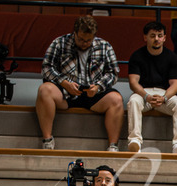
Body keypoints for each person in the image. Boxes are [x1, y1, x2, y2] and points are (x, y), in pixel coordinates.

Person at [37, 16, 124, 151]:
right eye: (81, 39)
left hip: (93, 93)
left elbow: (113, 73)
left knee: (116, 99)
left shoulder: (105, 46)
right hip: (65, 93)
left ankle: (113, 146)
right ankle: (47, 141)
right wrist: (64, 83)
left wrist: (98, 86)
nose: (84, 43)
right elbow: (46, 68)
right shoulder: (59, 43)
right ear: (75, 33)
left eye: (88, 40)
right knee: (44, 90)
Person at [127, 21, 177, 154]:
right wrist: (146, 96)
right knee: (133, 101)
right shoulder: (137, 56)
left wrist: (164, 98)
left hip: (163, 93)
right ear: (145, 37)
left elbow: (175, 85)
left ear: (164, 38)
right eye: (152, 36)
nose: (156, 39)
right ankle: (135, 141)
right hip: (143, 93)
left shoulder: (172, 57)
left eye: (159, 35)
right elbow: (133, 82)